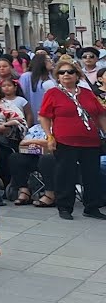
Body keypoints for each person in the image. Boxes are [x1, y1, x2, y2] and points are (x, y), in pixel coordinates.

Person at [38, 61, 106, 220]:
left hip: (90, 141)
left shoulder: (87, 93)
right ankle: (65, 207)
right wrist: (49, 136)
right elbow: (44, 116)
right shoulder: (53, 93)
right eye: (61, 72)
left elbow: (100, 114)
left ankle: (92, 207)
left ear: (77, 75)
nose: (66, 75)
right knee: (65, 174)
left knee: (92, 175)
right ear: (57, 76)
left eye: (70, 71)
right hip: (65, 141)